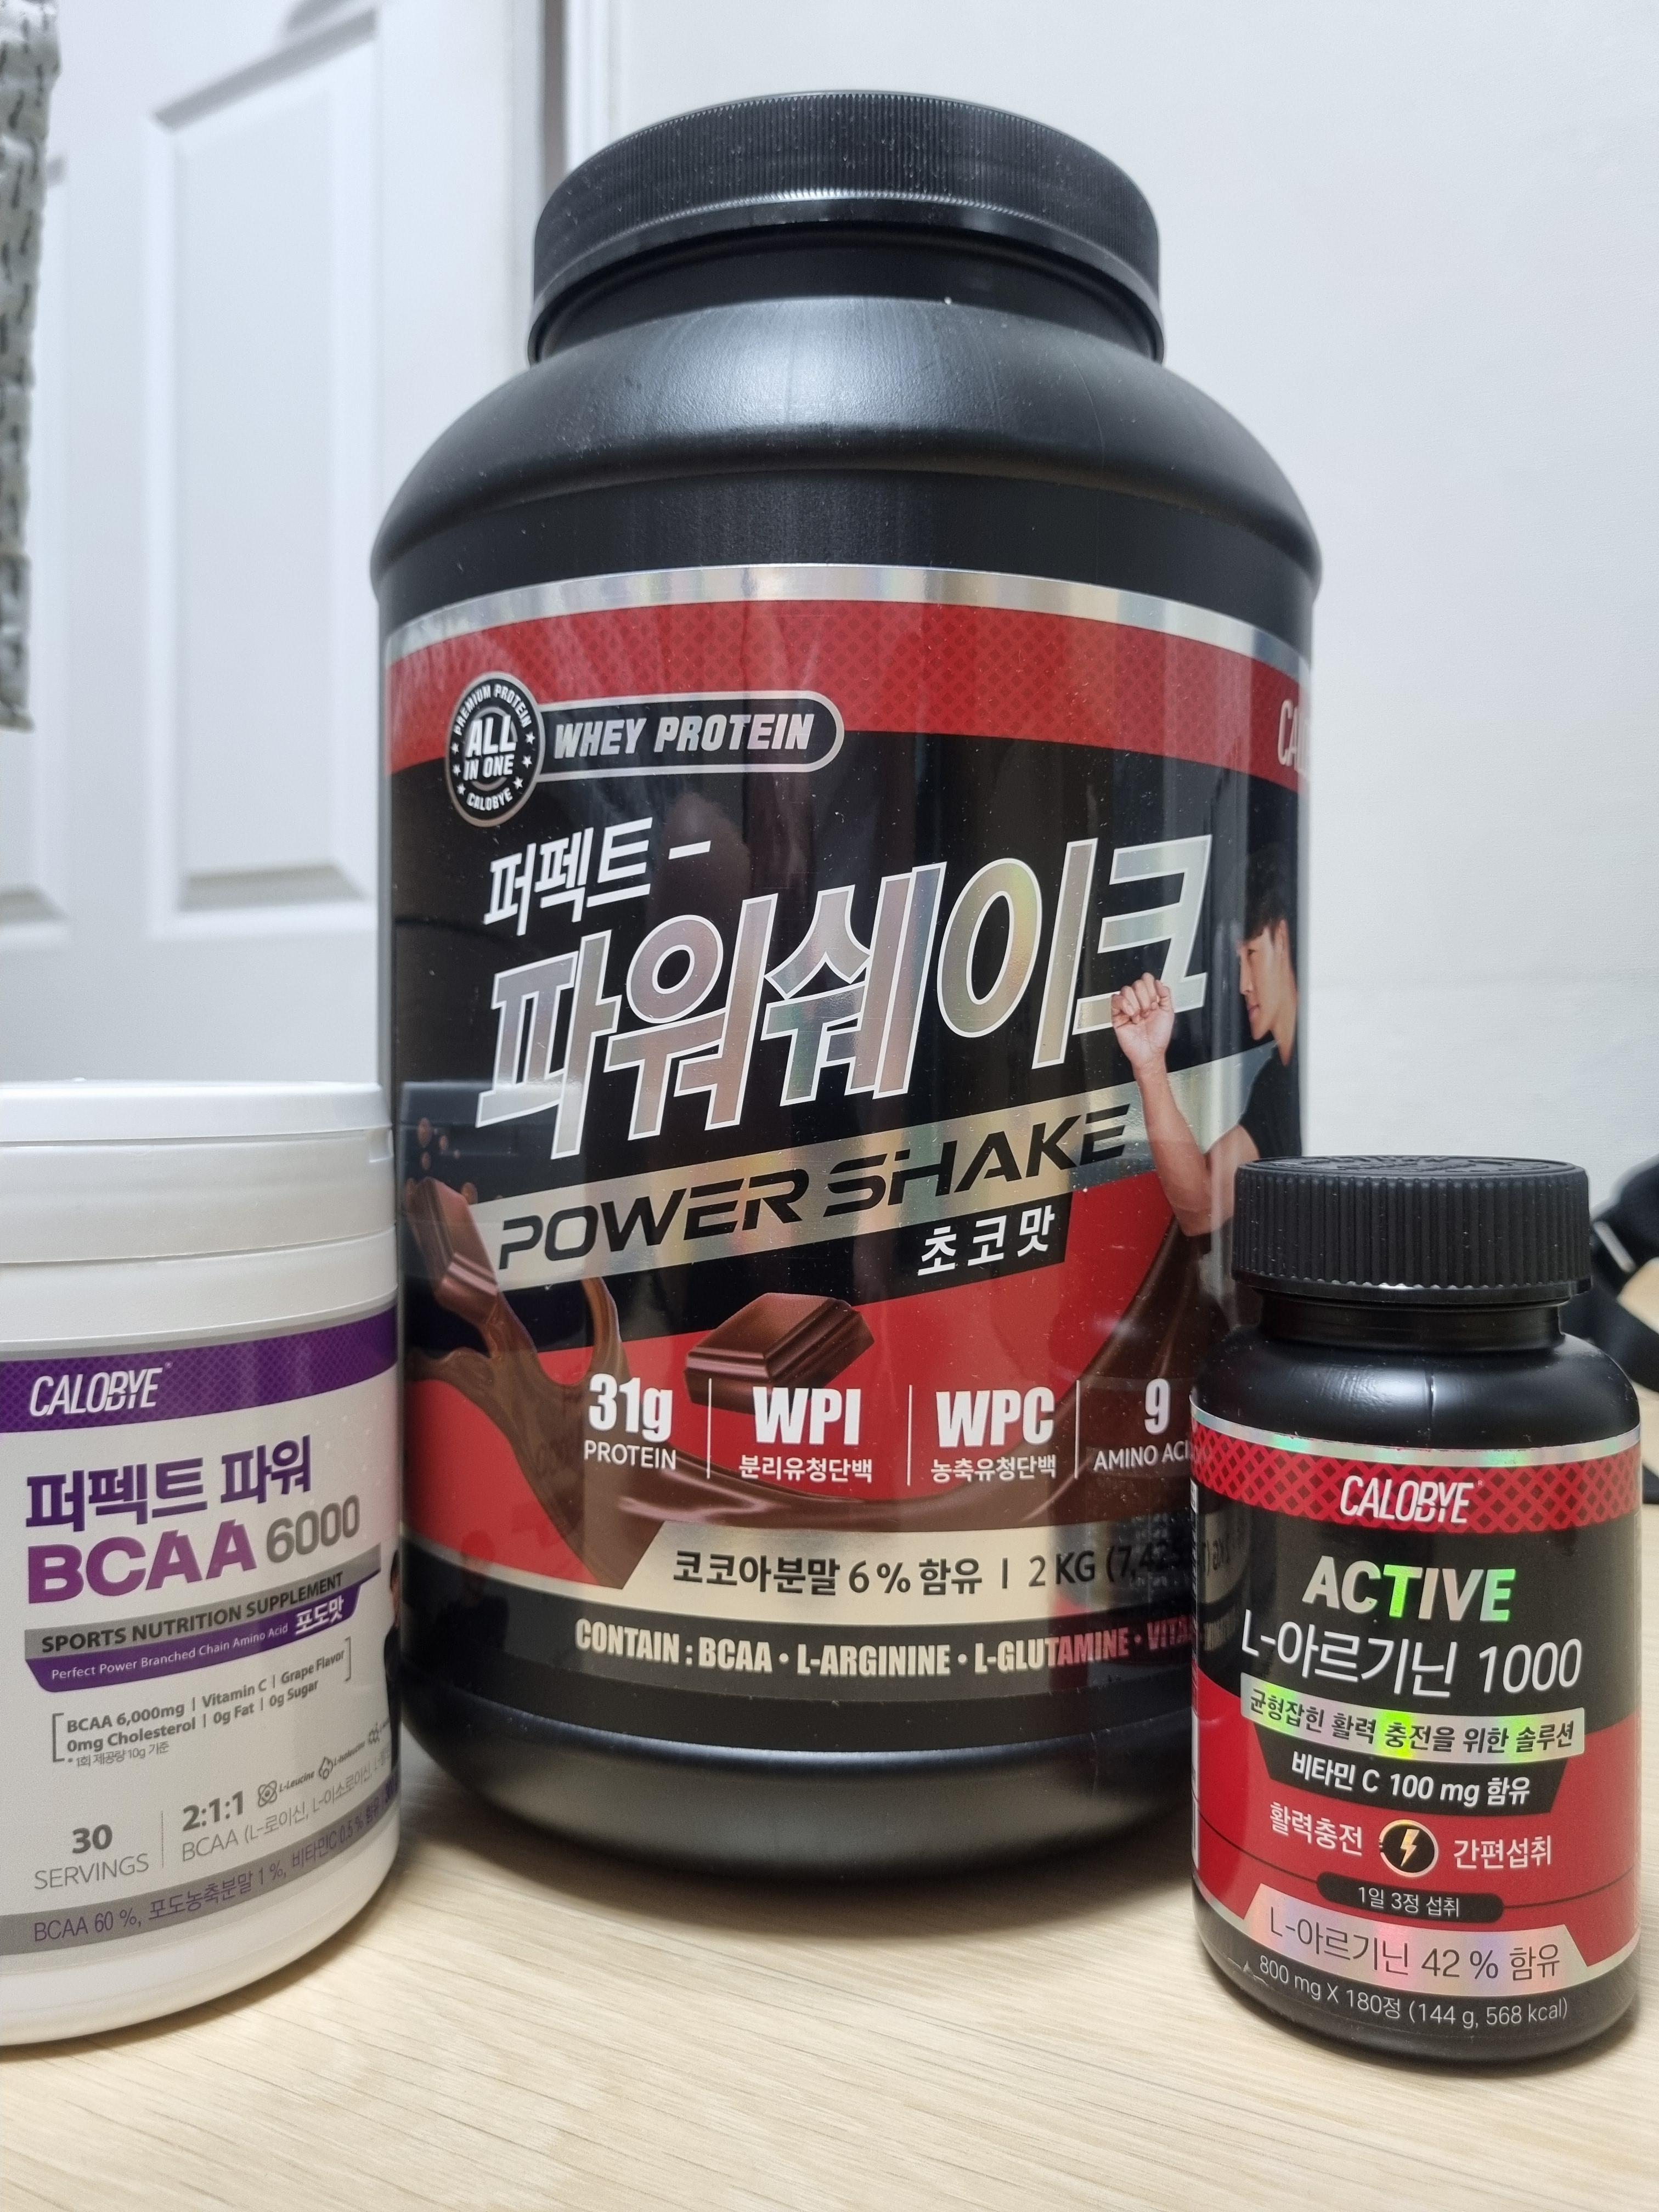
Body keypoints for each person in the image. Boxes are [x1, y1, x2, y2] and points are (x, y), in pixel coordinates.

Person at [1110, 843, 1299, 1237]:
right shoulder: (1275, 1087)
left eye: (1252, 954)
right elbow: (1200, 1210)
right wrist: (1150, 1066)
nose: (1244, 985)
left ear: (1282, 938)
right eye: (1239, 961)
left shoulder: (1331, 1066)